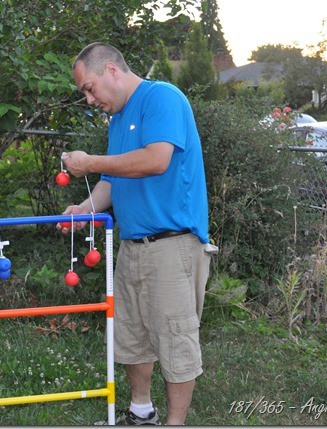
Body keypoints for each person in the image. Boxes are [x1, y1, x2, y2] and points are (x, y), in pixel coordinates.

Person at [59, 42, 217, 425]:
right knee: (132, 338)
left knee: (176, 341)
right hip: (132, 245)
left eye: (89, 88)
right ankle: (141, 412)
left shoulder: (162, 97)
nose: (88, 99)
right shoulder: (117, 120)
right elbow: (112, 181)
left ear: (111, 70)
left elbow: (156, 159)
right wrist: (85, 210)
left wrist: (90, 161)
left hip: (171, 245)